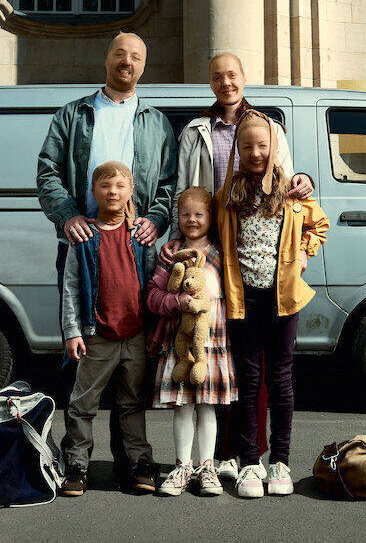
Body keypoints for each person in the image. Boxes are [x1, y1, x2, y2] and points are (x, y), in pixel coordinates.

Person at [159, 51, 314, 480]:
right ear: (210, 82)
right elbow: (184, 186)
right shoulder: (196, 130)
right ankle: (226, 455)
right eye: (217, 76)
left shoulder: (270, 127)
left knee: (262, 370)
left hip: (261, 263)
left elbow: (295, 188)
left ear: (244, 78)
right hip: (214, 250)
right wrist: (187, 234)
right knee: (223, 358)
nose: (226, 82)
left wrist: (302, 248)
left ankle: (257, 456)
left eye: (232, 75)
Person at [36, 31, 177, 492]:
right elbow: (47, 172)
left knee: (133, 376)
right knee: (83, 356)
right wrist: (67, 216)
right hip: (85, 244)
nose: (127, 62)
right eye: (120, 53)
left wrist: (156, 220)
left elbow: (169, 186)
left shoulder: (156, 122)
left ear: (144, 65)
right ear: (107, 59)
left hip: (135, 249)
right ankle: (76, 461)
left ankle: (131, 463)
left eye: (136, 56)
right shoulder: (73, 114)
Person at [215, 110, 330, 498]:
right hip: (243, 302)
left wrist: (304, 253)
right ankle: (250, 462)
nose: (255, 152)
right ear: (238, 149)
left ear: (274, 147)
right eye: (247, 146)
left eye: (262, 145)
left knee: (280, 380)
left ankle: (280, 461)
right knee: (248, 382)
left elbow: (320, 225)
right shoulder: (228, 195)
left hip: (284, 302)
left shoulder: (293, 193)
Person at [58, 162, 155, 497]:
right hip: (96, 335)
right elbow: (71, 286)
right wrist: (72, 331)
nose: (113, 192)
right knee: (83, 404)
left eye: (120, 186)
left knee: (132, 403)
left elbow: (155, 282)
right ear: (94, 192)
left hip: (136, 335)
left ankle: (138, 464)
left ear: (130, 191)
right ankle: (76, 465)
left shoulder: (141, 235)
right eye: (105, 186)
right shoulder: (83, 237)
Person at [145, 187, 237, 497]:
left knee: (207, 405)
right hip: (179, 343)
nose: (192, 220)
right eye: (185, 214)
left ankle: (206, 466)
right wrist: (177, 302)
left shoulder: (221, 252)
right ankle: (182, 465)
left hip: (213, 340)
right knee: (182, 405)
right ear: (177, 217)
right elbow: (153, 296)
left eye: (199, 214)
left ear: (211, 218)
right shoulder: (171, 252)